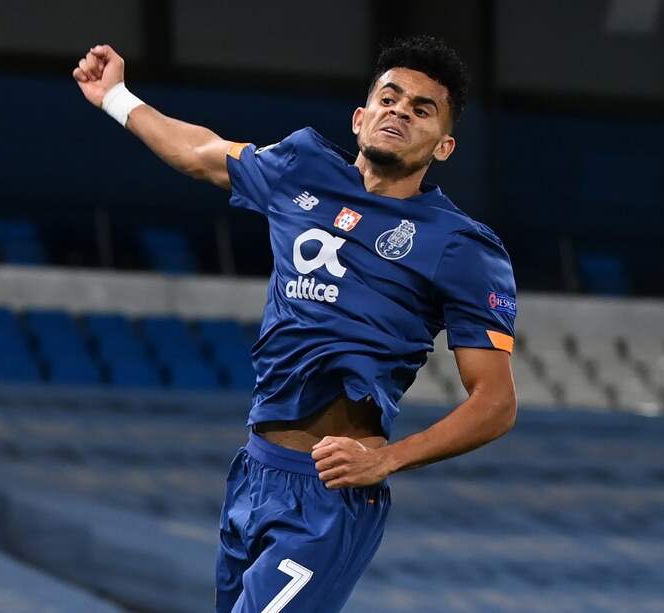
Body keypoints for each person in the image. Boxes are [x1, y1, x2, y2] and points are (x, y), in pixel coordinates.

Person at [73, 35, 517, 613]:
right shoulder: (300, 167)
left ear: (445, 146)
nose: (400, 112)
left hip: (328, 498)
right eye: (390, 98)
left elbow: (496, 403)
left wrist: (387, 458)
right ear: (361, 117)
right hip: (253, 474)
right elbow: (200, 151)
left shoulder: (460, 245)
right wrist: (116, 97)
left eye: (422, 109)